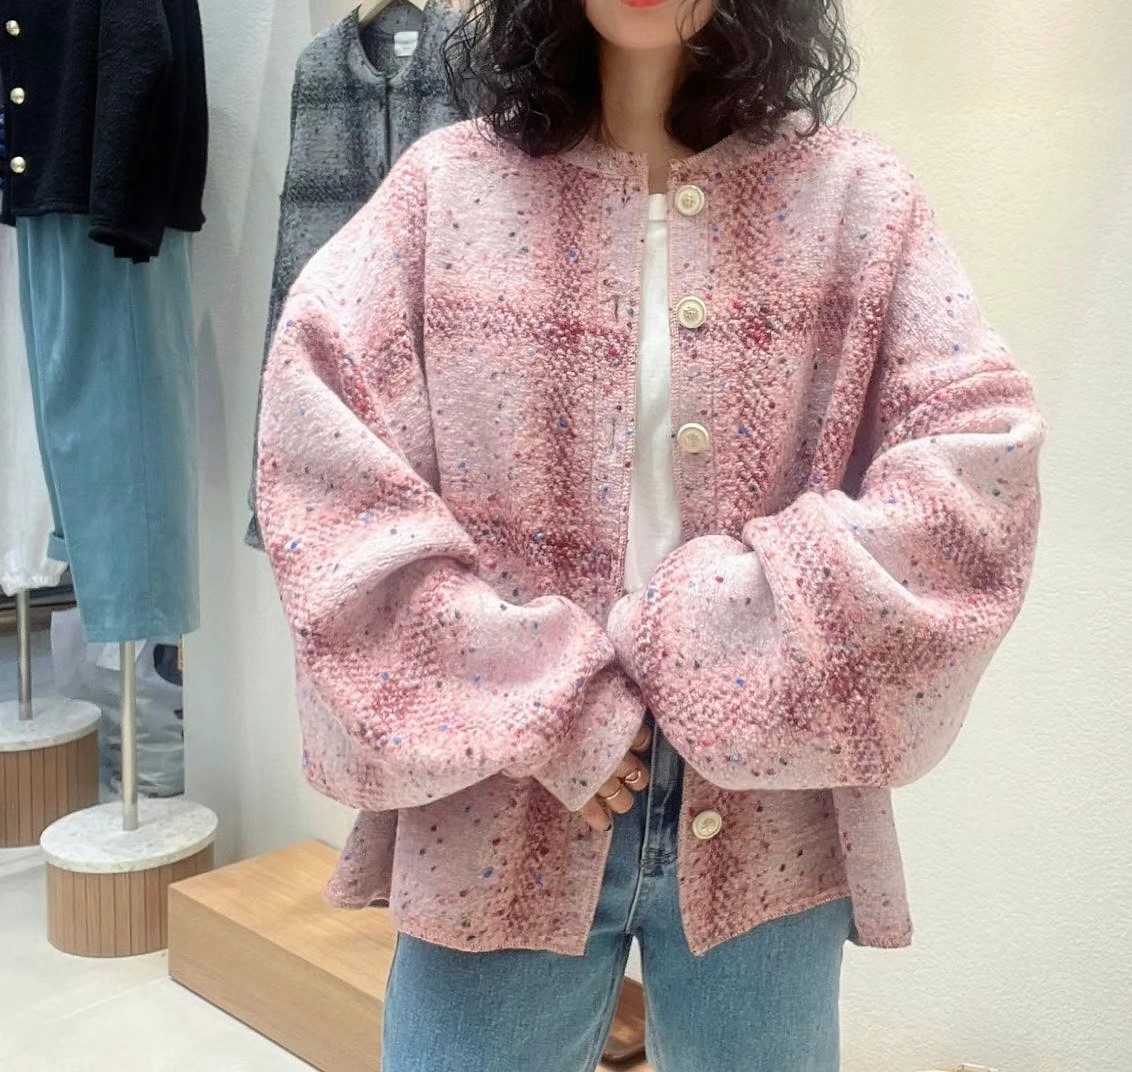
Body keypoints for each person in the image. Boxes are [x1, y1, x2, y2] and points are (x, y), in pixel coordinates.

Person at [255, 1, 1045, 1069]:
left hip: (771, 810)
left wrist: (722, 634)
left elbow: (979, 472)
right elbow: (321, 477)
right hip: (502, 797)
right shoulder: (446, 190)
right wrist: (543, 692)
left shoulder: (854, 198)